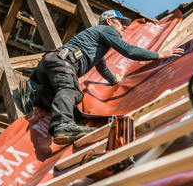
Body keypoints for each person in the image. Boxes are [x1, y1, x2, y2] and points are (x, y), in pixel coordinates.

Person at [20, 10, 184, 145]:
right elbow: (129, 51)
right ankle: (63, 125)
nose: (124, 28)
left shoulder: (95, 43)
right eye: (121, 23)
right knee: (68, 89)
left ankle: (35, 93)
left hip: (50, 65)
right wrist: (161, 54)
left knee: (74, 99)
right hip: (63, 62)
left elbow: (102, 67)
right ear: (109, 22)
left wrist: (114, 81)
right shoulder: (107, 30)